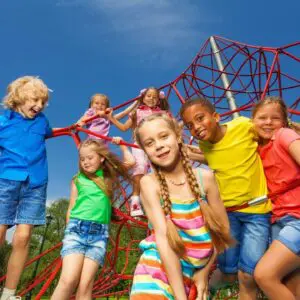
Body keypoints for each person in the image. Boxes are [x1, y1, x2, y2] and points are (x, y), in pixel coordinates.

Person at [130, 113, 233, 299]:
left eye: (164, 136)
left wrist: (204, 272)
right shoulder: (149, 183)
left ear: (177, 136)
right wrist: (180, 296)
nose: (159, 145)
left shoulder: (205, 179)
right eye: (150, 143)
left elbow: (223, 231)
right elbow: (164, 239)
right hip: (158, 268)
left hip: (195, 272)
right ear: (145, 151)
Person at [180, 98, 272, 300]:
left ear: (216, 116)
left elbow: (270, 129)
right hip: (227, 214)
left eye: (200, 118)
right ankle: (200, 290)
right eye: (190, 125)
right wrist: (190, 155)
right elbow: (218, 157)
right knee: (228, 271)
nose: (196, 127)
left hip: (256, 213)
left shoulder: (242, 126)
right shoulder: (204, 144)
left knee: (247, 274)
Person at [51, 138, 135, 300]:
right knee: (69, 280)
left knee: (86, 285)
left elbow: (130, 162)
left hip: (99, 234)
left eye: (90, 158)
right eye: (82, 159)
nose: (86, 162)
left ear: (101, 158)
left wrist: (123, 146)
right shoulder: (77, 180)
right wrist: (68, 232)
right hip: (76, 230)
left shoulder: (108, 177)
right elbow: (71, 208)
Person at [0, 76, 53, 300]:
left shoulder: (42, 121)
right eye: (35, 100)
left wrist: (76, 125)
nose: (39, 106)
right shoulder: (4, 120)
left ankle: (9, 293)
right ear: (19, 97)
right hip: (7, 180)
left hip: (36, 183)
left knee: (23, 237)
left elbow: (52, 131)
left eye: (43, 101)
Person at [252, 96, 300, 299]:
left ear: (284, 122)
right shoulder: (257, 150)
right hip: (278, 219)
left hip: (297, 217)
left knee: (265, 275)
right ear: (252, 121)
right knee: (290, 284)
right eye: (262, 117)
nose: (268, 122)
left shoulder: (284, 135)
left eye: (275, 118)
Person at [107, 87, 170, 217]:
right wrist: (111, 118)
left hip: (156, 145)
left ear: (159, 100)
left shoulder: (161, 113)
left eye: (155, 97)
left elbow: (171, 128)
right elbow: (124, 128)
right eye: (149, 96)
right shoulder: (137, 112)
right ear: (143, 98)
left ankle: (164, 201)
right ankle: (135, 201)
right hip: (140, 145)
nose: (152, 99)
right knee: (140, 167)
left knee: (159, 172)